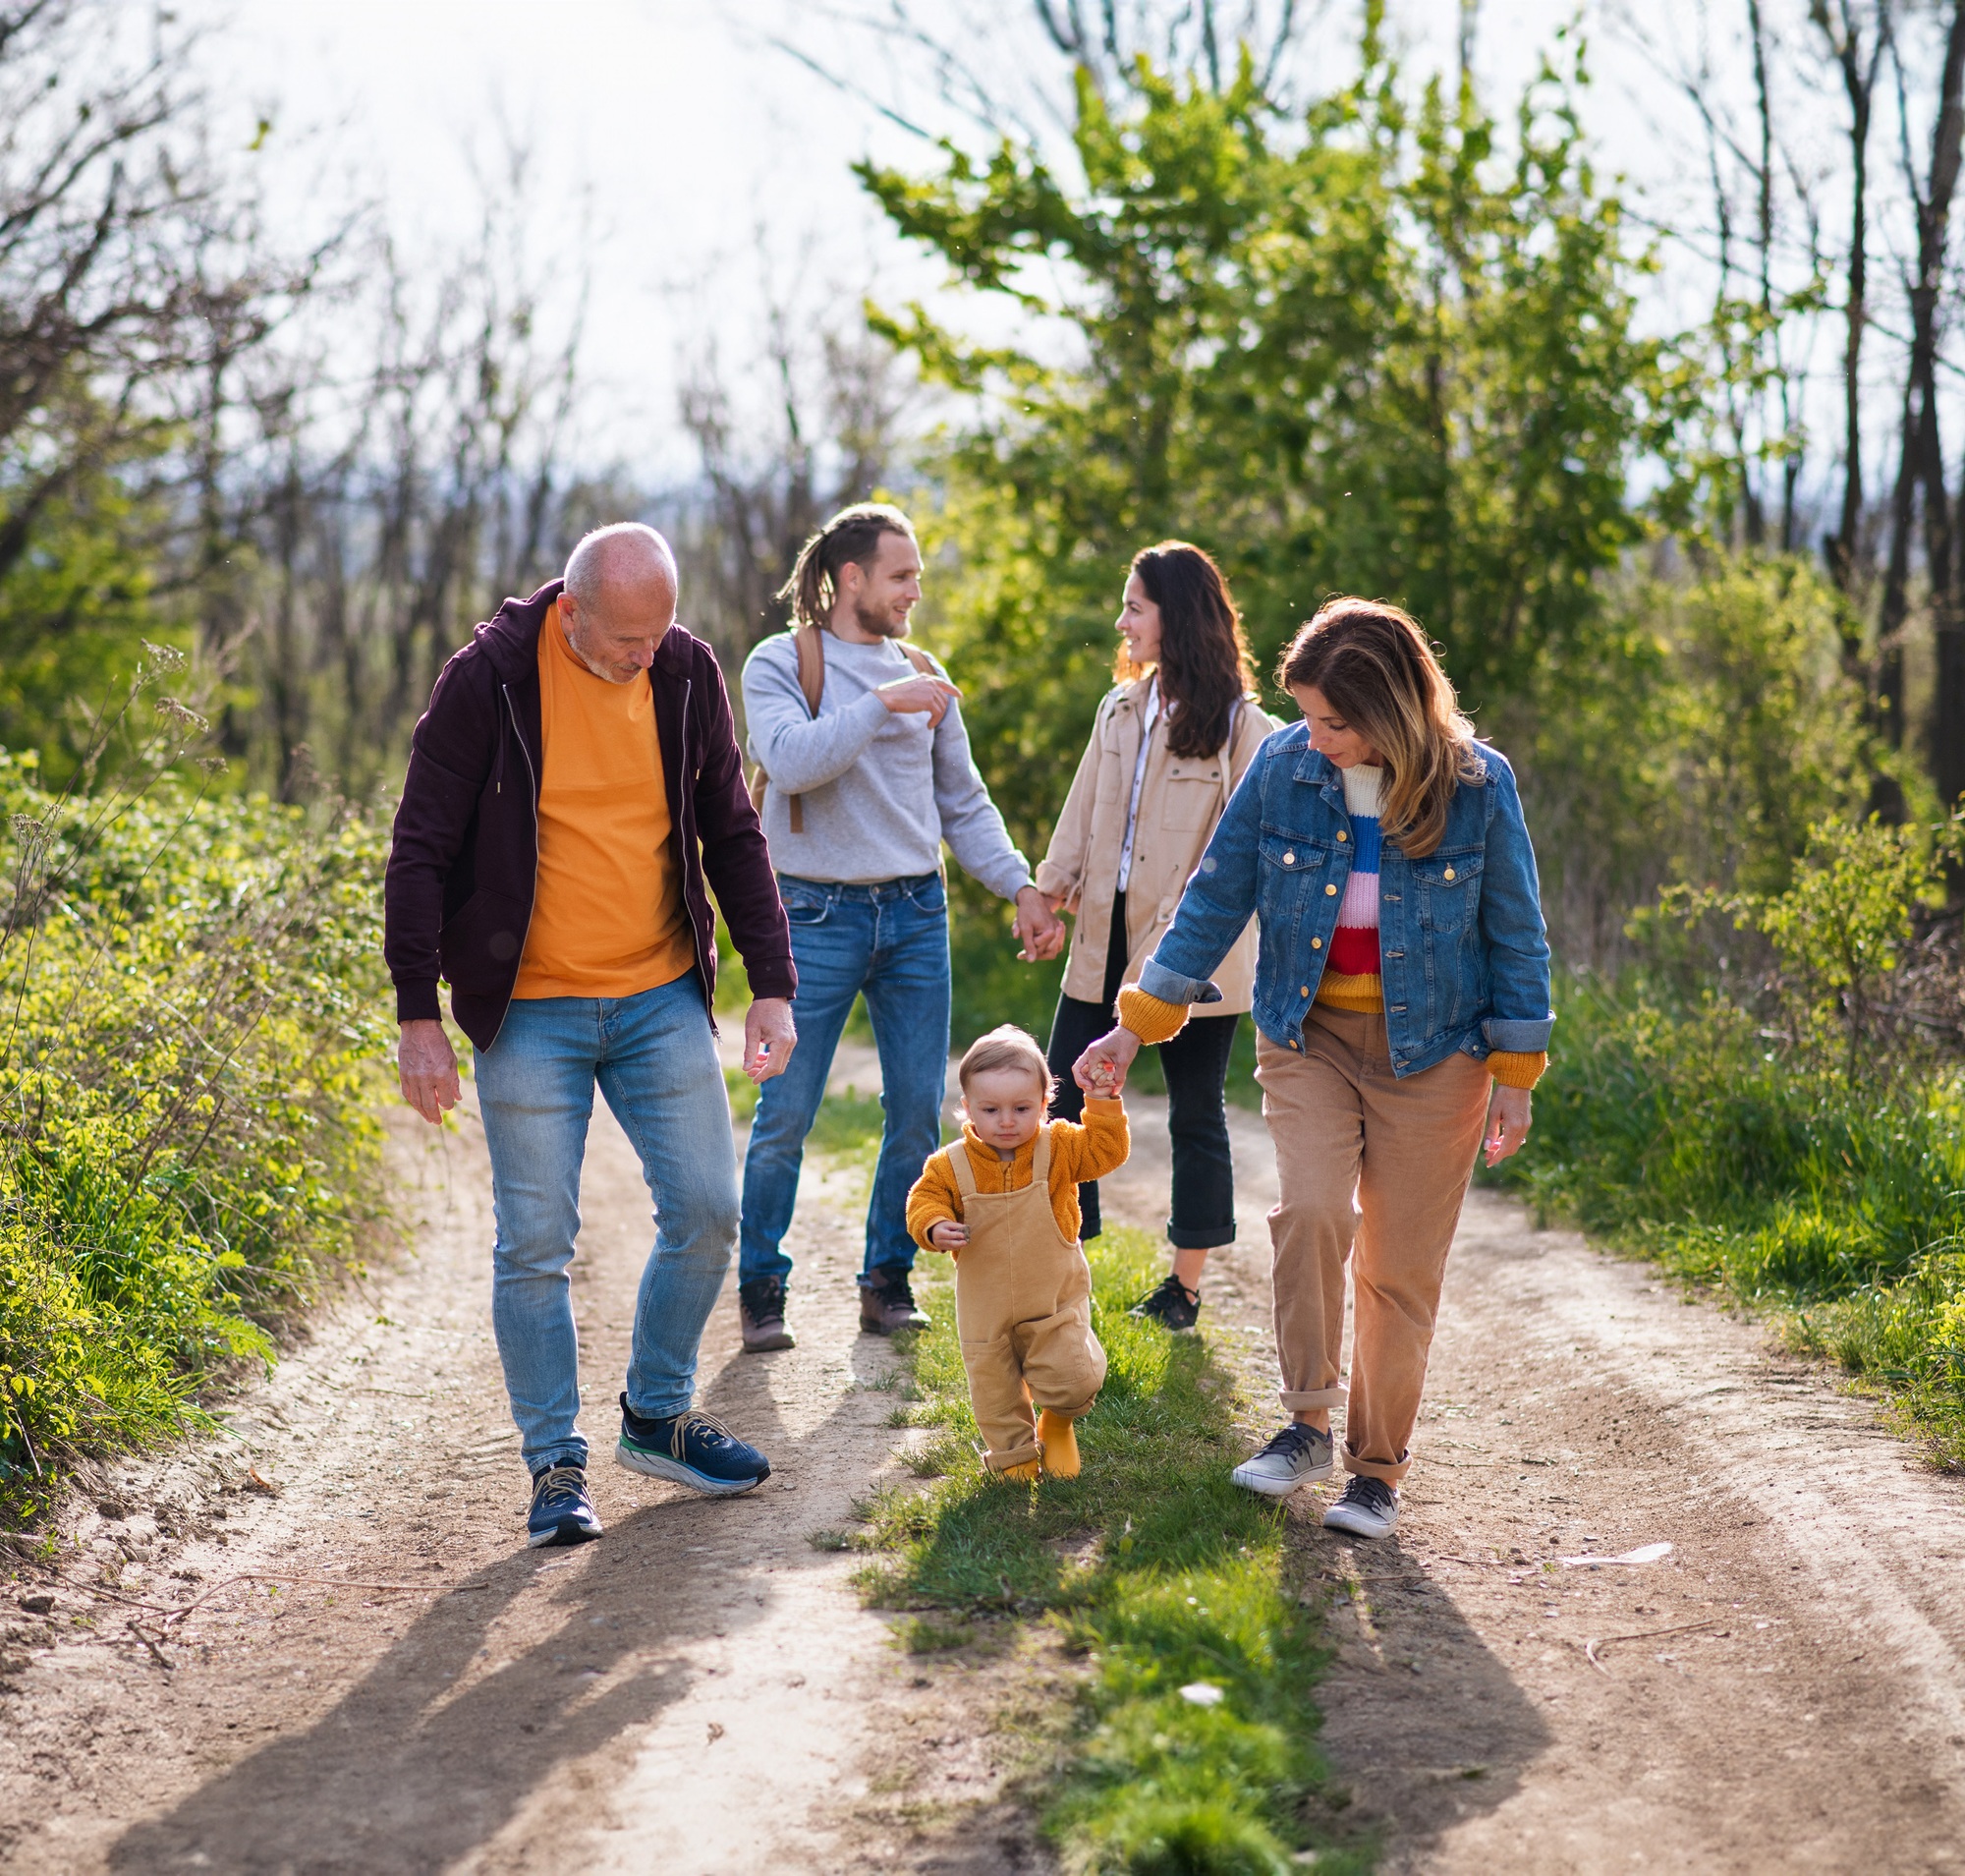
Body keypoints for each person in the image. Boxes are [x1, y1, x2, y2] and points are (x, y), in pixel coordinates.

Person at [1071, 597, 1552, 1540]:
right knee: (1314, 1212)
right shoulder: (1283, 766)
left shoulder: (1478, 783)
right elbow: (1214, 896)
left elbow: (1516, 931)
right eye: (1307, 715)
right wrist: (1135, 1024)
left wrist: (1515, 1073)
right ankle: (1305, 1425)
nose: (1315, 737)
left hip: (1440, 1053)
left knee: (1400, 1269)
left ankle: (1376, 1473)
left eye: (1334, 721)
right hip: (1310, 1035)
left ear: (1393, 710)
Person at [385, 524, 799, 1550]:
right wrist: (416, 1013)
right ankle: (555, 1466)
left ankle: (656, 1415)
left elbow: (731, 831)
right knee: (535, 1243)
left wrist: (772, 984)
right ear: (570, 612)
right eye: (625, 640)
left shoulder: (686, 672)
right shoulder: (487, 680)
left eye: (658, 634)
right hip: (528, 1004)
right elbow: (419, 846)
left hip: (659, 992)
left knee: (708, 1210)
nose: (645, 656)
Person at [736, 503, 1064, 1348]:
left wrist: (1020, 884)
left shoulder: (925, 671)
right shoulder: (782, 661)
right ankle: (761, 1287)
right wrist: (882, 703)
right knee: (786, 1112)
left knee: (918, 1109)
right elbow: (792, 761)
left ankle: (887, 1278)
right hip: (814, 913)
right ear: (851, 579)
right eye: (902, 576)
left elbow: (964, 801)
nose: (915, 591)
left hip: (916, 911)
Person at [1036, 541, 1275, 1332]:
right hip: (1101, 935)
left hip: (1198, 951)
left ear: (1179, 615)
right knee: (1064, 1095)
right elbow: (1081, 811)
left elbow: (1238, 854)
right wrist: (1048, 893)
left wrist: (1181, 941)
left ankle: (1184, 1288)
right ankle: (1066, 1264)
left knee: (1195, 1112)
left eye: (1135, 607)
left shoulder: (1245, 729)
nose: (1121, 622)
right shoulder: (1119, 709)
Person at [905, 1026, 1127, 1480]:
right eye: (991, 1110)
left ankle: (1058, 1422)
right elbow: (923, 1200)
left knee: (1073, 1376)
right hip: (985, 1307)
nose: (1007, 1121)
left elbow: (1106, 1151)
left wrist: (1102, 1102)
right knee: (993, 1386)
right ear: (968, 1108)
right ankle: (1014, 1457)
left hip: (1052, 1298)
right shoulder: (950, 1164)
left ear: (1044, 1104)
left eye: (1022, 1109)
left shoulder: (1059, 1147)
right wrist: (934, 1225)